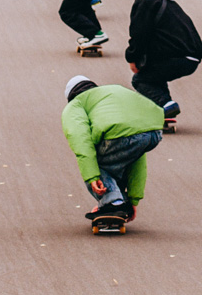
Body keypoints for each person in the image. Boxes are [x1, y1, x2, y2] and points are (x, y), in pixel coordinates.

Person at [61, 75, 164, 223]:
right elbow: (137, 160)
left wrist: (92, 177)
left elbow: (81, 142)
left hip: (118, 135)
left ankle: (112, 202)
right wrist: (133, 201)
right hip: (153, 131)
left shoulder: (75, 105)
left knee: (93, 163)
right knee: (124, 157)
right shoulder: (110, 93)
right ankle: (120, 201)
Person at [126, 0, 202, 124]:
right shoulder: (170, 3)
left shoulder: (145, 2)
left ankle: (166, 105)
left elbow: (139, 34)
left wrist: (132, 58)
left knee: (140, 80)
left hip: (178, 57)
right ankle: (165, 110)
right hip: (191, 57)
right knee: (155, 76)